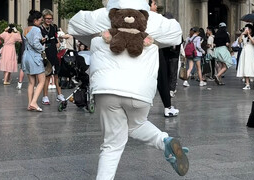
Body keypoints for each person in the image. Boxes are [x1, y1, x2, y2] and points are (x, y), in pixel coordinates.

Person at [69, 0, 189, 179]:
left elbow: (74, 25)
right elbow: (176, 33)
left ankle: (163, 143)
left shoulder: (103, 15)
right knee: (136, 124)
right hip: (140, 90)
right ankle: (165, 141)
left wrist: (102, 27)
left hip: (107, 88)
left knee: (112, 145)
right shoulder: (152, 20)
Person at [149, 1, 179, 117]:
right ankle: (167, 107)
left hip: (146, 50)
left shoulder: (140, 17)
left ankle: (167, 106)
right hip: (155, 49)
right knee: (162, 78)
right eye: (154, 4)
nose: (156, 6)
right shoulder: (156, 18)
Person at [40, 9, 65, 105]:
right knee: (47, 75)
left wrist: (58, 43)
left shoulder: (53, 28)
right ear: (43, 18)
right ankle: (45, 96)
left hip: (54, 53)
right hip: (45, 54)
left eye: (50, 18)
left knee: (56, 75)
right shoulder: (40, 29)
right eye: (47, 18)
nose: (49, 20)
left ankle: (59, 94)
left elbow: (56, 40)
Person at [22, 10, 45, 112]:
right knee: (42, 81)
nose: (41, 22)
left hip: (26, 56)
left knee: (31, 82)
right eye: (40, 20)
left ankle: (29, 104)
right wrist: (42, 47)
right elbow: (36, 44)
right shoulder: (36, 29)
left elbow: (29, 42)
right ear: (35, 20)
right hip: (34, 57)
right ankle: (34, 102)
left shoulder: (25, 29)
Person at [236, 24, 254, 90]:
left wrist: (249, 35)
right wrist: (242, 34)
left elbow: (253, 42)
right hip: (244, 51)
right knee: (245, 67)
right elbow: (239, 41)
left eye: (248, 29)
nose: (247, 30)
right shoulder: (244, 36)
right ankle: (247, 84)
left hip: (251, 52)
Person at [162, 12, 181, 98]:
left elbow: (180, 40)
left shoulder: (176, 29)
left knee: (172, 72)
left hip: (173, 55)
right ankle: (169, 88)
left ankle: (171, 89)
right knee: (167, 72)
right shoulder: (163, 29)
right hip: (167, 54)